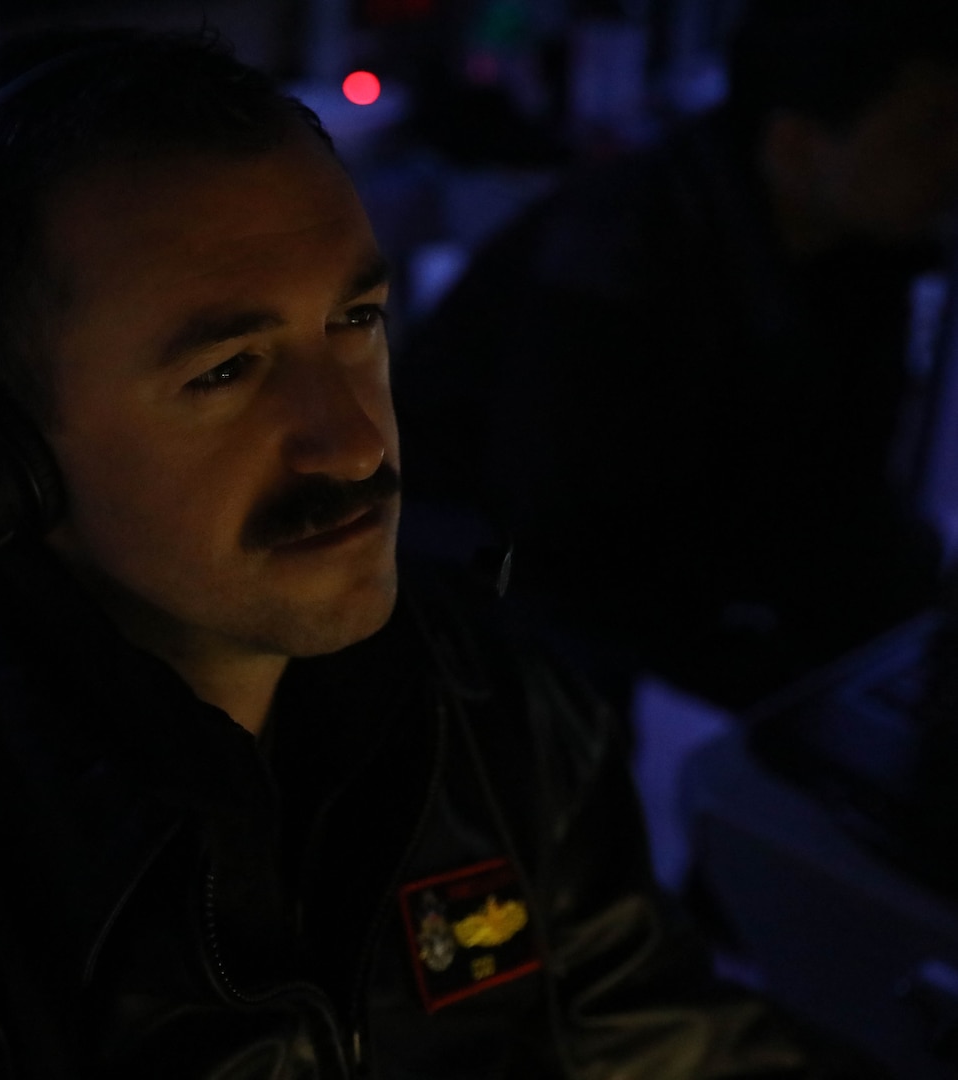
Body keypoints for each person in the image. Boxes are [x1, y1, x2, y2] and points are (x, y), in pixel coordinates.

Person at [0, 28, 846, 1078]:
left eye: (355, 321)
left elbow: (655, 1041)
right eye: (226, 371)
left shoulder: (498, 702)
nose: (351, 443)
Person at [398, 0, 958, 709]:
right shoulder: (616, 258)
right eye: (929, 127)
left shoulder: (862, 256)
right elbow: (561, 535)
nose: (951, 158)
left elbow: (837, 492)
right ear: (795, 143)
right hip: (482, 572)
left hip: (633, 581)